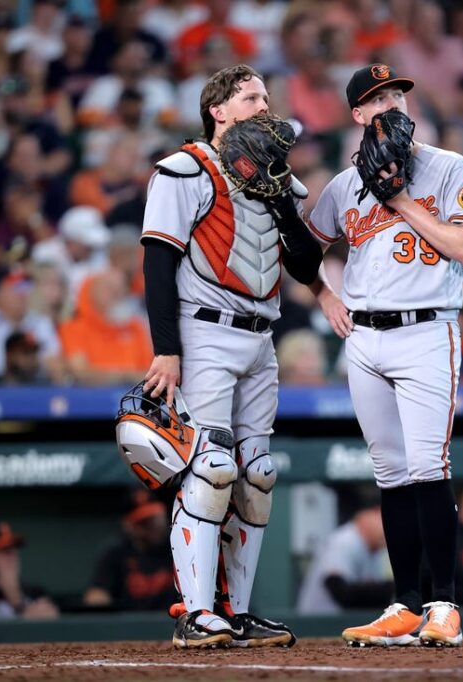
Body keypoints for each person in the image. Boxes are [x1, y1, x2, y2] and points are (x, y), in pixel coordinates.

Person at [307, 63, 463, 647]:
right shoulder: (343, 185)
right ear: (358, 114)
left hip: (426, 332)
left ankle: (444, 605)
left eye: (396, 94)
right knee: (389, 473)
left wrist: (404, 201)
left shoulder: (447, 166)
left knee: (428, 468)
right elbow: (300, 247)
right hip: (363, 336)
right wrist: (322, 292)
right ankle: (405, 603)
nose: (390, 103)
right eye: (376, 97)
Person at [139, 64, 320, 648]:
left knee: (258, 473)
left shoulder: (279, 178)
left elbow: (306, 268)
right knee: (211, 466)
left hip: (260, 336)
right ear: (218, 109)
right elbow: (157, 264)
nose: (263, 105)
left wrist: (279, 196)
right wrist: (166, 349)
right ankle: (195, 614)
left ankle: (236, 613)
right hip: (204, 332)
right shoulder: (184, 168)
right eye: (249, 97)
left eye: (266, 96)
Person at [84, 489, 180, 612]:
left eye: (155, 519)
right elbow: (96, 595)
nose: (152, 526)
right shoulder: (116, 553)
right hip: (127, 626)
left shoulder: (179, 548)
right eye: (143, 523)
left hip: (173, 623)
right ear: (128, 525)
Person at [296, 506, 393, 615]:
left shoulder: (374, 550)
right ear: (365, 516)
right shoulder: (345, 539)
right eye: (384, 517)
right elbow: (340, 591)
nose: (391, 526)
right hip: (316, 624)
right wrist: (392, 590)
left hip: (340, 625)